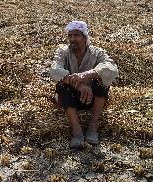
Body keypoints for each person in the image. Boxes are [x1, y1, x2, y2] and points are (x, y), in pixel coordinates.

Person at [49, 21, 119, 149]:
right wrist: (79, 85)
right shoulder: (63, 51)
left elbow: (112, 68)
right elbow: (54, 69)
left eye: (76, 35)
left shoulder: (96, 52)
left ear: (85, 37)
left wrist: (87, 75)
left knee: (102, 83)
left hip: (92, 97)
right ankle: (77, 132)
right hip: (71, 98)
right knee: (62, 87)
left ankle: (93, 127)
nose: (72, 39)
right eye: (70, 36)